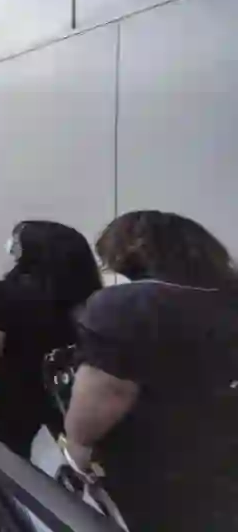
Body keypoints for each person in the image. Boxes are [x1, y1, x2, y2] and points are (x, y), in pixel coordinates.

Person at [62, 211, 238, 531]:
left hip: (155, 464)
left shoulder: (127, 304)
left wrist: (76, 446)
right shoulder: (228, 298)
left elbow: (111, 390)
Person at [0, 221, 101, 459]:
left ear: (33, 251)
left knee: (6, 454)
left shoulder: (4, 293)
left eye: (17, 242)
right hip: (67, 394)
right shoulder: (91, 299)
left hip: (12, 394)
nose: (11, 247)